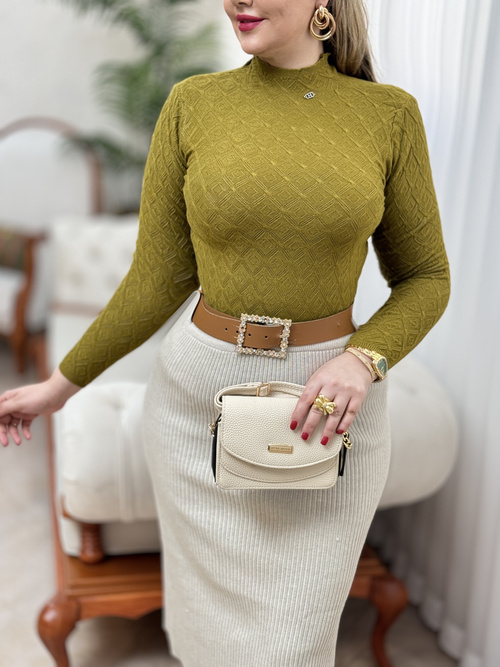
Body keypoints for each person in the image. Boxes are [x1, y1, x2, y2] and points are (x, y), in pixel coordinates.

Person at [0, 0, 450, 664]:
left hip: (324, 420)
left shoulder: (389, 116)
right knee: (209, 642)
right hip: (195, 411)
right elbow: (155, 279)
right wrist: (58, 386)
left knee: (293, 647)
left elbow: (426, 277)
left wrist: (363, 359)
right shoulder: (193, 105)